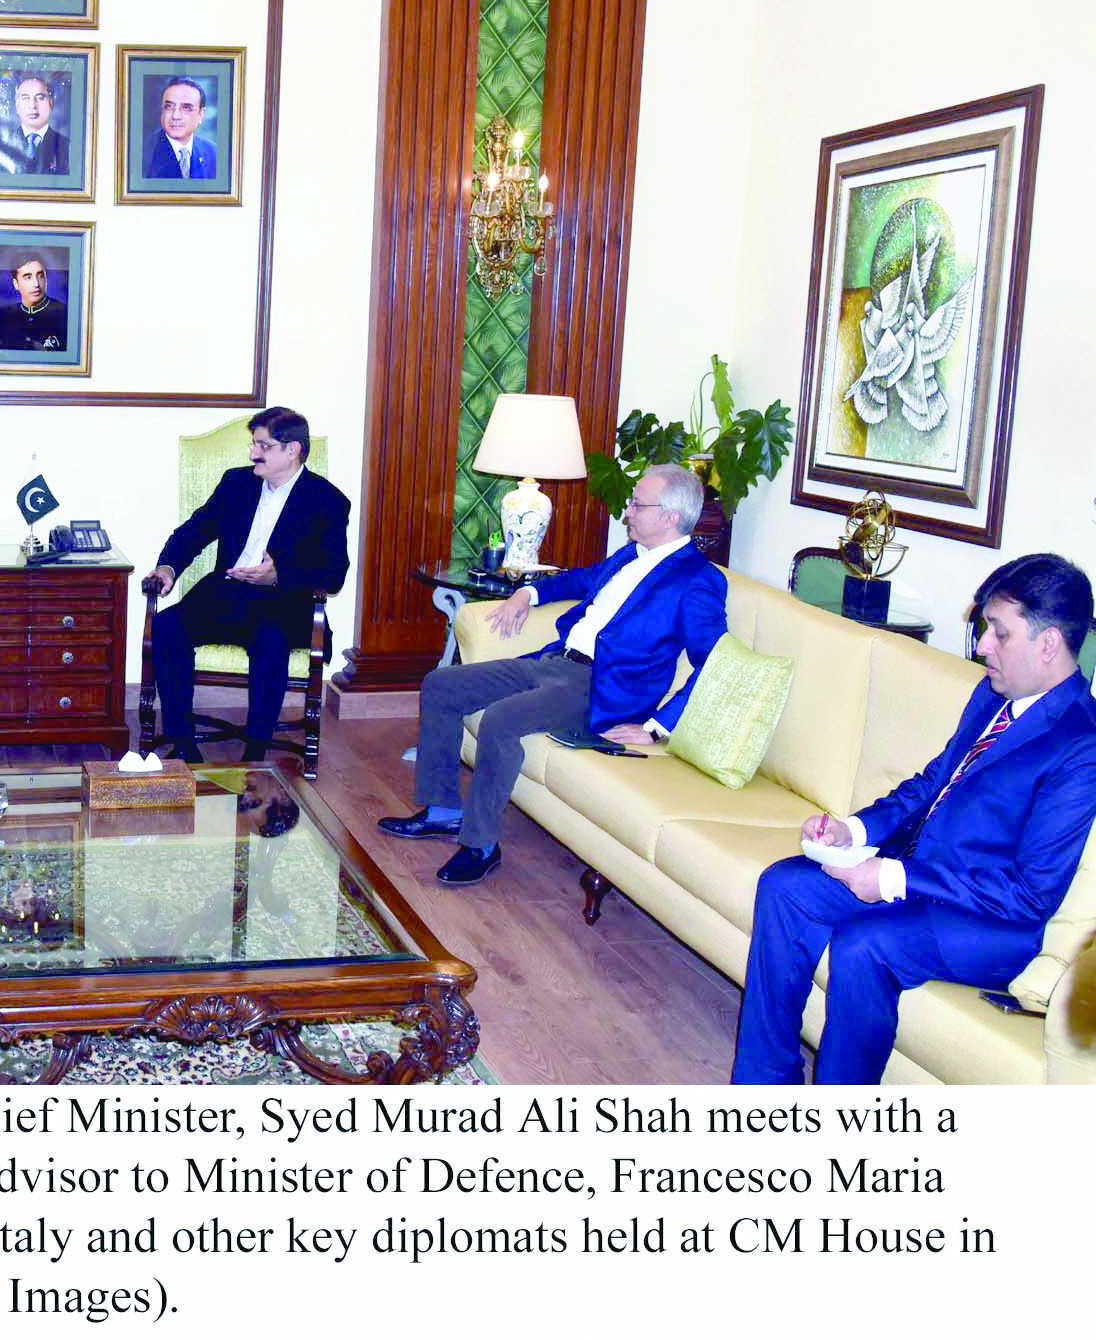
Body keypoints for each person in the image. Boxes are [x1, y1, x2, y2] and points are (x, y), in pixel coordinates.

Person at [732, 553, 1096, 1084]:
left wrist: (893, 878)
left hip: (993, 922)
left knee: (866, 945)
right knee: (785, 887)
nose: (982, 646)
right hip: (922, 875)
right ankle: (762, 1085)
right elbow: (933, 783)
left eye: (999, 633)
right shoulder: (992, 693)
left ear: (1048, 644)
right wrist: (852, 830)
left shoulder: (1079, 746)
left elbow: (1029, 893)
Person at [378, 463, 726, 886]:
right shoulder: (631, 554)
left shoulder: (698, 580)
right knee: (442, 684)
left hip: (599, 686)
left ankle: (480, 845)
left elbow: (714, 662)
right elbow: (581, 580)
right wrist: (529, 592)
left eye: (637, 504)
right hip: (556, 661)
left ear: (670, 516)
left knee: (502, 720)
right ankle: (444, 810)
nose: (627, 512)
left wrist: (657, 727)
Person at [147, 406, 351, 763]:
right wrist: (167, 567)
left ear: (293, 450)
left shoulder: (327, 501)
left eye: (263, 445)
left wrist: (279, 575)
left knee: (270, 638)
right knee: (167, 625)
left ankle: (255, 752)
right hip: (227, 592)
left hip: (285, 600)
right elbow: (195, 531)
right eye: (254, 445)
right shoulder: (236, 483)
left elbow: (334, 572)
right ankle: (183, 743)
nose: (253, 453)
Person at [0, 251, 69, 351]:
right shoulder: (5, 315)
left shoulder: (64, 313)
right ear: (16, 284)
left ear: (46, 280)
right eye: (28, 277)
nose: (36, 284)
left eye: (40, 276)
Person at [143, 78, 217, 181]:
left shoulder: (213, 152)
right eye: (169, 107)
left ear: (201, 115)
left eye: (186, 108)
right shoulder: (143, 152)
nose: (176, 115)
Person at [0, 75, 67, 176]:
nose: (33, 105)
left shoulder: (67, 146)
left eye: (40, 98)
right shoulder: (2, 145)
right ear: (17, 106)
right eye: (26, 98)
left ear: (51, 103)